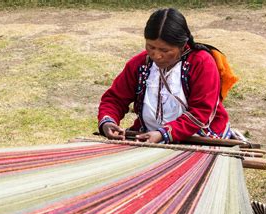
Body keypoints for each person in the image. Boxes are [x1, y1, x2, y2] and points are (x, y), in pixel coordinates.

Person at [98, 8, 237, 143]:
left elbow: (201, 112)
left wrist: (163, 133)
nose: (156, 55)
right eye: (151, 47)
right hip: (147, 135)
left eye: (165, 50)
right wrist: (108, 121)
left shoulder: (201, 62)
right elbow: (115, 99)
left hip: (198, 137)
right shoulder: (140, 64)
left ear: (182, 45)